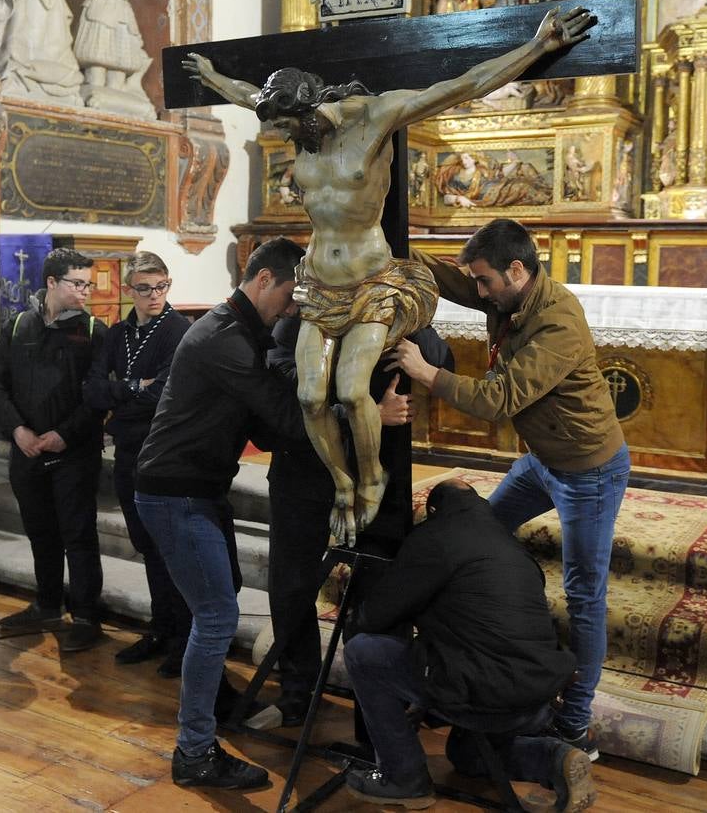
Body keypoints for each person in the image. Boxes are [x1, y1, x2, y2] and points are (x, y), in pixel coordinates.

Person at [182, 4, 596, 548]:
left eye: (284, 127)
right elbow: (246, 94)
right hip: (319, 285)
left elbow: (465, 84)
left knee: (353, 393)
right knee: (310, 397)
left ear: (306, 111)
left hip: (372, 282)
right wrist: (213, 79)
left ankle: (371, 479)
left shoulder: (374, 119)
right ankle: (342, 484)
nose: (281, 139)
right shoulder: (294, 127)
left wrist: (539, 47)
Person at [388, 218, 631, 762]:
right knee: (479, 540)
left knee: (585, 595)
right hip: (542, 461)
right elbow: (452, 280)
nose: (477, 293)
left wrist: (426, 373)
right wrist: (390, 248)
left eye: (485, 282)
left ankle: (573, 725)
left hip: (588, 471)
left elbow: (500, 399)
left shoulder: (558, 322)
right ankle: (469, 666)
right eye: (477, 282)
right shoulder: (505, 293)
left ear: (516, 270)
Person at [133, 237, 309, 791]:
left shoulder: (242, 331)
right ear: (263, 280)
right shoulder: (223, 338)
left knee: (218, 601)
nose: (291, 305)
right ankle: (194, 752)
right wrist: (364, 412)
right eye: (288, 293)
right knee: (216, 618)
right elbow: (280, 417)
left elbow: (259, 424)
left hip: (198, 490)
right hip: (175, 493)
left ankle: (211, 714)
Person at [342, 478, 596, 811]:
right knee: (465, 755)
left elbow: (373, 617)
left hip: (483, 690)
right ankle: (555, 758)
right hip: (537, 696)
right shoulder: (514, 549)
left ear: (433, 510)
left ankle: (404, 778)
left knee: (363, 653)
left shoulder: (433, 539)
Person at [263, 315, 442, 725]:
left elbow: (436, 359)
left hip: (375, 476)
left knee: (373, 597)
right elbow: (291, 390)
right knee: (291, 587)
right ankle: (297, 691)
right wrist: (370, 411)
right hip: (302, 473)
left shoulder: (391, 312)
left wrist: (414, 327)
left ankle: (374, 713)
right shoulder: (299, 321)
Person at [0, 248, 108, 652]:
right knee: (41, 531)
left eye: (88, 283)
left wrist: (64, 434)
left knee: (79, 535)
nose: (85, 291)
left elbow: (98, 395)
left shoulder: (94, 332)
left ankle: (87, 616)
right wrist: (17, 428)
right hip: (27, 449)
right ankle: (48, 603)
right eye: (77, 283)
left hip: (73, 451)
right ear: (52, 283)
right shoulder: (19, 325)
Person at [82, 251, 191, 676]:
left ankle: (183, 637)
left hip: (161, 450)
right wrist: (131, 387)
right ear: (130, 289)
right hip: (127, 448)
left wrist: (120, 391)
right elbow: (91, 390)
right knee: (146, 545)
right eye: (145, 289)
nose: (155, 296)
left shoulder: (178, 330)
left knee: (169, 546)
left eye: (162, 286)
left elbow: (162, 393)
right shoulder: (119, 333)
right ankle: (161, 628)